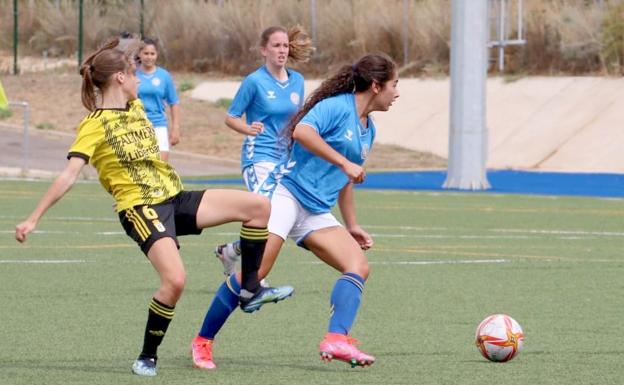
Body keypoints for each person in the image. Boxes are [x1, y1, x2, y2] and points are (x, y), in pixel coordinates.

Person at [13, 38, 293, 377]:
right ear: (119, 78)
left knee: (258, 206)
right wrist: (33, 218)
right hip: (141, 209)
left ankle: (249, 289)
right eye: (133, 74)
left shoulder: (136, 108)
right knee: (175, 281)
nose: (138, 80)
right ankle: (147, 356)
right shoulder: (94, 124)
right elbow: (69, 174)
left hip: (173, 198)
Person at [190, 53, 400, 370]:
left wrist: (352, 224)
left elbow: (346, 179)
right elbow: (302, 132)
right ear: (375, 85)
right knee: (256, 272)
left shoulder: (369, 129)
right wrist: (344, 162)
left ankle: (337, 340)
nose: (397, 93)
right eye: (395, 85)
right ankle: (202, 342)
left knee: (358, 265)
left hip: (316, 210)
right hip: (285, 194)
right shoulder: (337, 106)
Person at [214, 25, 314, 278]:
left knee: (277, 214)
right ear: (263, 50)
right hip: (258, 157)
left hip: (284, 160)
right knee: (264, 211)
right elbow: (231, 117)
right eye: (276, 45)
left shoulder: (297, 82)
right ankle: (252, 279)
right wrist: (247, 128)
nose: (282, 50)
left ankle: (232, 251)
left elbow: (297, 120)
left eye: (285, 46)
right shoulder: (254, 81)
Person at [136, 37, 180, 162]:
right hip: (137, 126)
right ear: (139, 54)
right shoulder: (132, 74)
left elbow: (174, 102)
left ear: (157, 55)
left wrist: (175, 128)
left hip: (158, 124)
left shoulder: (164, 76)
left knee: (160, 167)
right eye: (145, 53)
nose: (149, 57)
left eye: (152, 53)